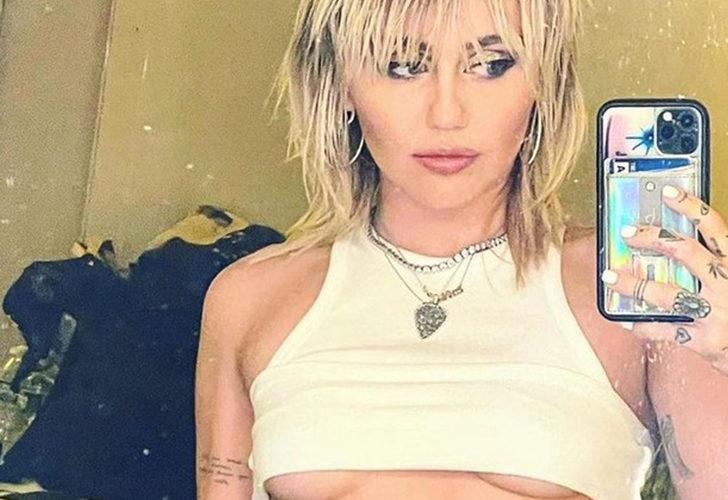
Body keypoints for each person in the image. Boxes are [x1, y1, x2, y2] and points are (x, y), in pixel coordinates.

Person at [194, 1, 728, 499]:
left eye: (491, 65)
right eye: (403, 66)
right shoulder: (249, 298)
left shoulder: (639, 288)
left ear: (543, 84)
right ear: (339, 85)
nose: (447, 113)